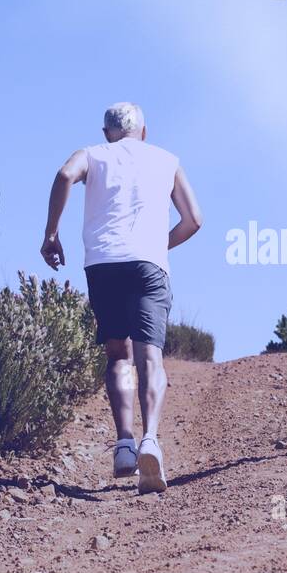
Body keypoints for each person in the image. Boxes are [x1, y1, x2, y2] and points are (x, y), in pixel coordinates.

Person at [41, 102, 203, 492]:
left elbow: (65, 174)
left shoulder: (92, 155)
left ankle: (125, 444)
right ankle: (151, 440)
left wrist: (50, 234)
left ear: (106, 133)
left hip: (103, 264)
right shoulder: (167, 160)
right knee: (150, 355)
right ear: (144, 132)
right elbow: (194, 220)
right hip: (148, 265)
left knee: (118, 353)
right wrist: (157, 246)